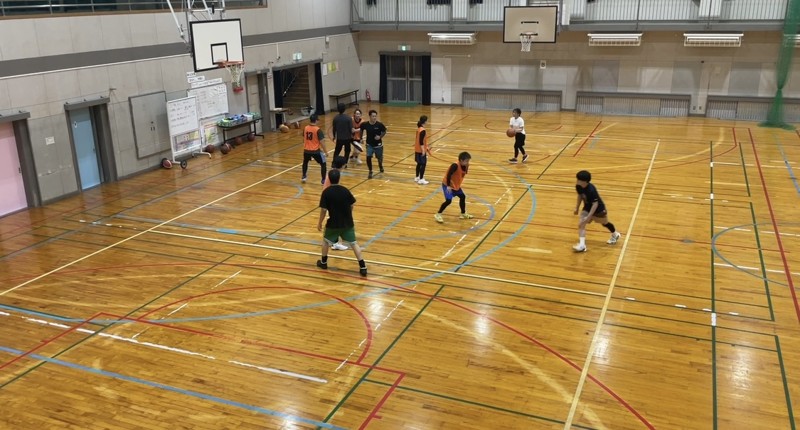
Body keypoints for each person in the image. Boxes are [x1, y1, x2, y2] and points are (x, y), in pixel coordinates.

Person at [316, 169, 368, 276]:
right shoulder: (345, 190)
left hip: (333, 223)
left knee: (326, 241)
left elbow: (324, 210)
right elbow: (352, 204)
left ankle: (324, 262)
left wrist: (320, 222)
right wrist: (348, 214)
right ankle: (363, 266)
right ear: (339, 178)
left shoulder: (326, 192)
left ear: (329, 179)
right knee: (354, 244)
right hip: (347, 223)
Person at [573, 170, 621, 252]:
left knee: (605, 223)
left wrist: (589, 217)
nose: (577, 181)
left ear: (585, 182)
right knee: (581, 224)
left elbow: (595, 204)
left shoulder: (591, 190)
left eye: (579, 180)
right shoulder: (578, 186)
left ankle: (615, 234)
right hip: (587, 207)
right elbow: (580, 196)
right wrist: (577, 207)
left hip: (599, 209)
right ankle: (582, 245)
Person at [434, 151, 473, 223]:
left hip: (455, 185)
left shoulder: (466, 165)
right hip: (447, 185)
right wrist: (448, 186)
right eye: (466, 161)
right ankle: (438, 214)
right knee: (448, 201)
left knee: (462, 197)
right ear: (461, 160)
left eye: (468, 161)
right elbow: (448, 175)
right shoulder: (455, 165)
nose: (468, 162)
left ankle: (463, 214)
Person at [323, 156, 350, 250]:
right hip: (330, 199)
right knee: (335, 220)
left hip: (330, 197)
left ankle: (335, 241)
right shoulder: (335, 173)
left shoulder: (334, 172)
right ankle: (335, 243)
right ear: (342, 165)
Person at [360, 109, 387, 179]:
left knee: (379, 158)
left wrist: (380, 137)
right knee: (368, 157)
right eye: (373, 116)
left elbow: (384, 131)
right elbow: (361, 129)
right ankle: (370, 171)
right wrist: (361, 138)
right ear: (370, 116)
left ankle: (380, 165)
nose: (374, 118)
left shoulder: (379, 125)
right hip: (369, 144)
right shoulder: (365, 124)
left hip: (378, 145)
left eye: (375, 116)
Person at [302, 114, 328, 184]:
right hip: (315, 151)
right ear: (316, 120)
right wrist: (326, 152)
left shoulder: (305, 128)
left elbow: (304, 138)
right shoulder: (318, 130)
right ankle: (323, 180)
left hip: (306, 150)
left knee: (305, 162)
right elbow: (322, 142)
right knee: (323, 164)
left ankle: (304, 176)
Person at [414, 115, 431, 185]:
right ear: (425, 121)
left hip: (417, 149)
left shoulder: (419, 128)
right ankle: (421, 179)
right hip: (421, 150)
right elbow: (421, 141)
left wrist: (426, 147)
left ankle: (417, 177)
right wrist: (423, 150)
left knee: (419, 163)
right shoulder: (423, 130)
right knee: (423, 164)